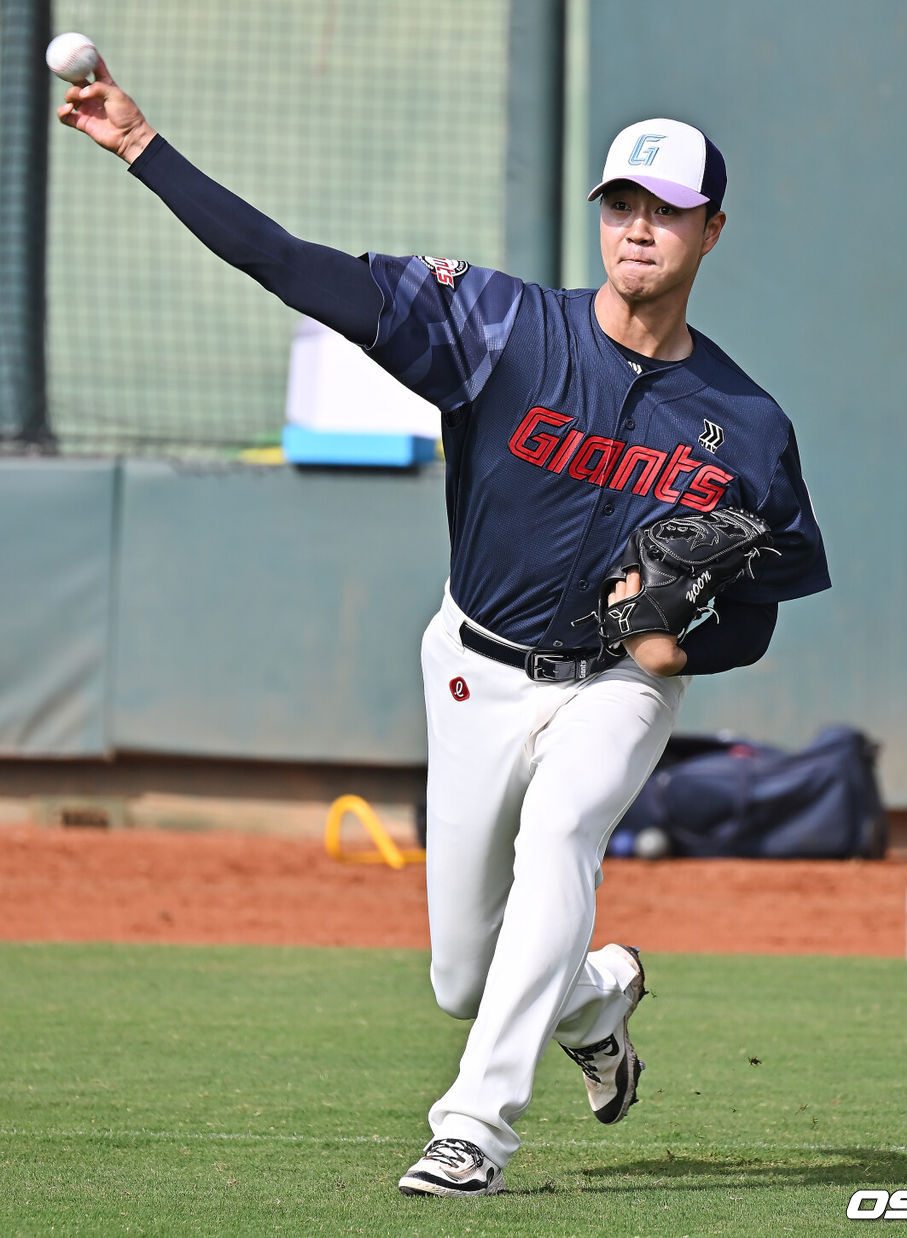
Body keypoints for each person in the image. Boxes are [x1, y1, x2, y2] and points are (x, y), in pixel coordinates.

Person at [58, 65, 830, 1197]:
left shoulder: (746, 425)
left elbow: (759, 611)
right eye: (622, 202)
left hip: (612, 683)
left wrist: (681, 652)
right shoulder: (502, 327)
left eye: (667, 210)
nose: (639, 227)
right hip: (473, 666)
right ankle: (595, 999)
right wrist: (143, 149)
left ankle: (473, 1128)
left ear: (711, 230)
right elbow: (292, 266)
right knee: (463, 975)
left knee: (562, 832)